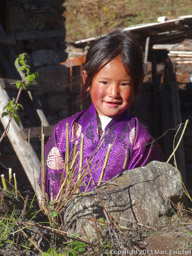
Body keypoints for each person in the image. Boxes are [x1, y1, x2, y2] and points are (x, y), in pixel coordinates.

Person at [43, 30, 163, 199]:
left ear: (137, 83)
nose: (114, 92)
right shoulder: (65, 132)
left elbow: (146, 198)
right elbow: (51, 188)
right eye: (104, 82)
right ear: (87, 79)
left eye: (124, 84)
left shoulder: (140, 141)